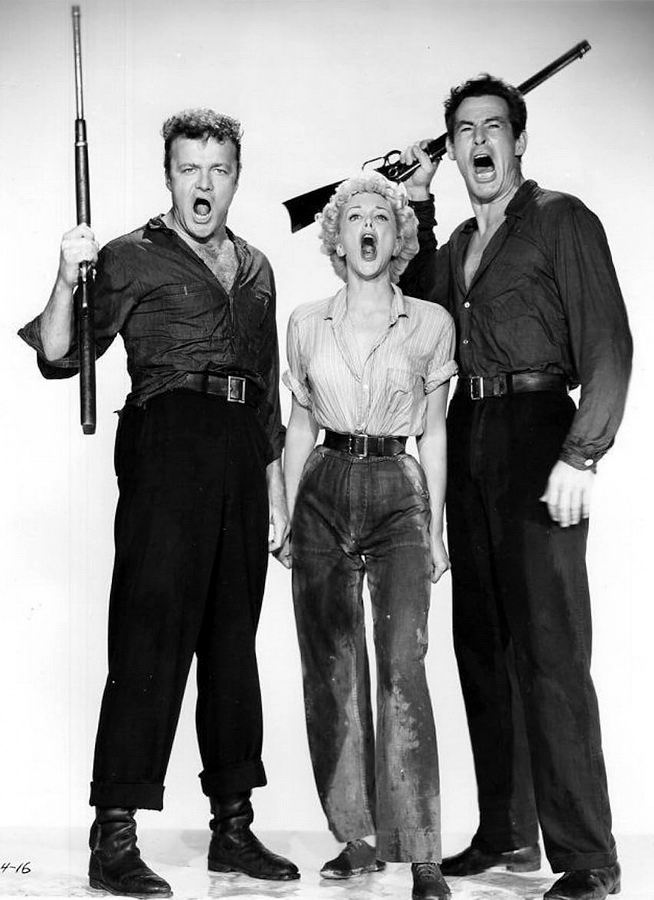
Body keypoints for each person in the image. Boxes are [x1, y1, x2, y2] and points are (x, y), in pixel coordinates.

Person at [18, 108, 299, 897]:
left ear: (235, 177)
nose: (203, 184)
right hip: (167, 442)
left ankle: (233, 831)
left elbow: (268, 388)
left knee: (233, 644)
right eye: (189, 169)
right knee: (149, 639)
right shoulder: (127, 256)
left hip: (243, 455)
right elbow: (58, 353)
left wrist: (276, 488)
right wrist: (64, 275)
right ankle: (113, 840)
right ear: (168, 175)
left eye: (218, 170)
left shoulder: (259, 267)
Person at [398, 75, 632, 900]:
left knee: (551, 652)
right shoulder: (460, 243)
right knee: (482, 647)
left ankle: (589, 858)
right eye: (464, 130)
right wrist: (416, 206)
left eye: (494, 126)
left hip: (538, 432)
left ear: (519, 141)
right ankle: (506, 833)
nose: (480, 141)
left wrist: (582, 453)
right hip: (467, 434)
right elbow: (421, 321)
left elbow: (608, 342)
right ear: (453, 149)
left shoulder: (562, 219)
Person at [282, 171, 457, 900]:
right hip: (322, 487)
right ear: (336, 237)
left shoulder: (431, 323)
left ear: (398, 237)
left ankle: (421, 853)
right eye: (353, 216)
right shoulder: (305, 323)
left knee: (402, 665)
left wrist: (434, 527)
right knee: (330, 667)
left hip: (397, 489)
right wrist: (287, 516)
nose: (366, 228)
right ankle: (355, 840)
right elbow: (298, 426)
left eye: (380, 217)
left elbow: (435, 431)